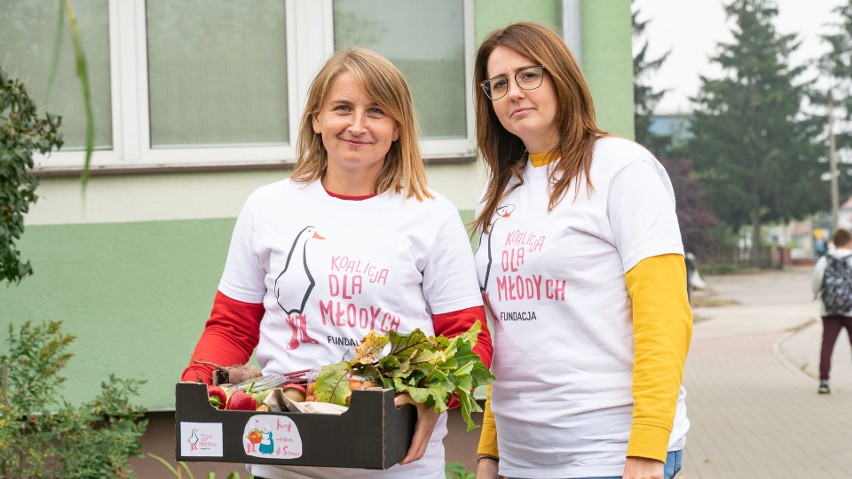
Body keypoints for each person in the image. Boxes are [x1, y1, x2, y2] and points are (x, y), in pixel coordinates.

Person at [181, 47, 493, 479]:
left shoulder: (431, 215)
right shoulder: (268, 207)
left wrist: (430, 395)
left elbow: (468, 341)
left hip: (397, 468)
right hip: (282, 461)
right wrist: (199, 382)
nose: (357, 125)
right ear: (316, 118)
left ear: (397, 127)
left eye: (377, 111)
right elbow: (232, 327)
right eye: (342, 108)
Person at [470, 22, 692, 479]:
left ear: (561, 78)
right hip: (522, 459)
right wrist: (490, 451)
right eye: (499, 83)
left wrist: (648, 447)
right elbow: (509, 336)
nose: (514, 92)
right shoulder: (499, 190)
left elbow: (665, 315)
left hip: (610, 454)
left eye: (529, 75)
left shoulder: (621, 169)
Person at [810, 227, 852, 395]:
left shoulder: (824, 260)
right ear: (849, 242)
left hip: (829, 309)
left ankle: (824, 381)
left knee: (827, 345)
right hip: (851, 311)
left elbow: (816, 284)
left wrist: (819, 296)